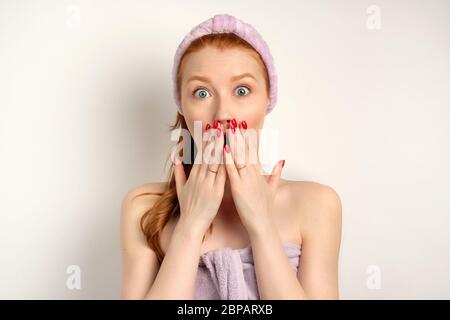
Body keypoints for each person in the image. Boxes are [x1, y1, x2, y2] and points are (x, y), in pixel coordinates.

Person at [120, 14, 342, 300]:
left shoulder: (317, 205)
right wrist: (190, 225)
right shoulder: (142, 208)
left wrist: (261, 223)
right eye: (201, 92)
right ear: (183, 107)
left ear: (267, 100)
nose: (223, 114)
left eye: (241, 90)